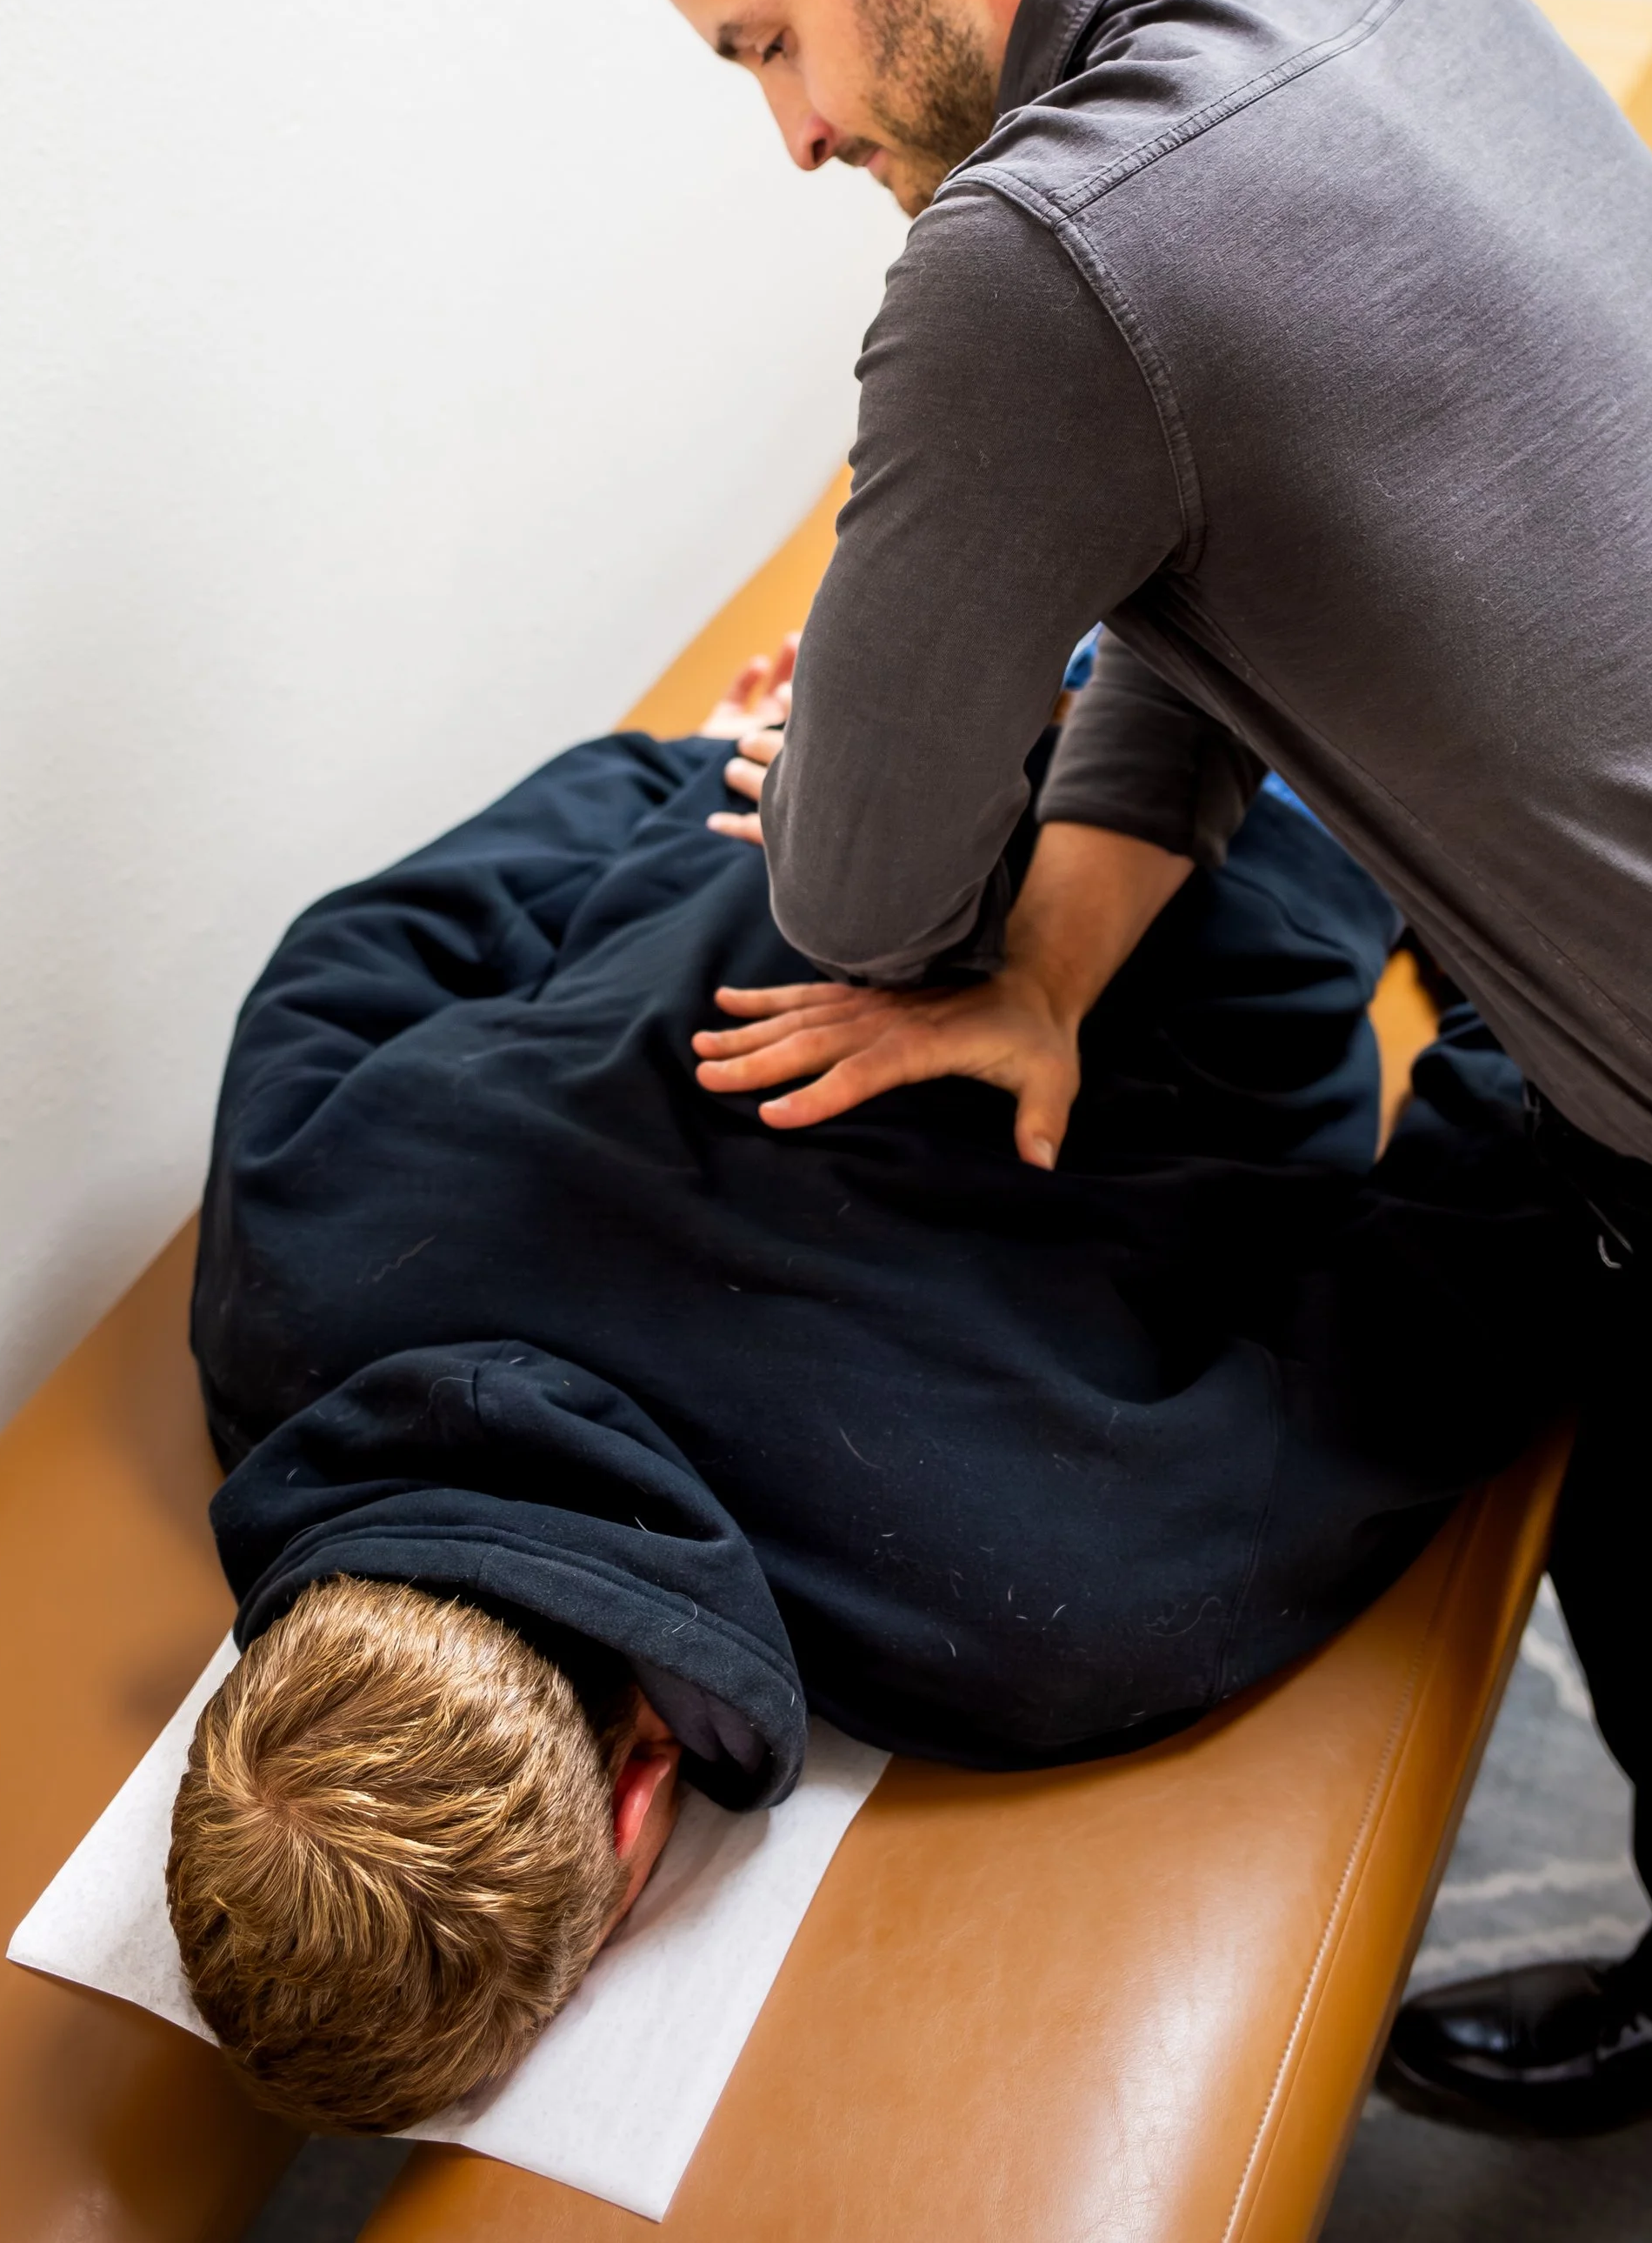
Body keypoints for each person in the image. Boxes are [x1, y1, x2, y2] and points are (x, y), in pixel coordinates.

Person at [595, 0, 1652, 2140]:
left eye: (767, 42)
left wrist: (856, 754)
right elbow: (1209, 558)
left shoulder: (1025, 253)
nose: (790, 132)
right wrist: (1057, 941)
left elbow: (842, 901)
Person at [171, 658, 1574, 2133]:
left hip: (1297, 787)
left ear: (640, 1807)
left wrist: (1522, 941)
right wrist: (672, 779)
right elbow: (355, 954)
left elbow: (1466, 1287)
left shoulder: (1033, 1603)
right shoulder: (293, 1292)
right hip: (866, 751)